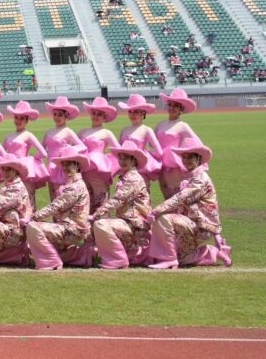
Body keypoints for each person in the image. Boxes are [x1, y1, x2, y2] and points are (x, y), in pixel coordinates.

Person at [148, 137, 231, 269]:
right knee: (182, 258)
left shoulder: (200, 180)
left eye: (190, 157)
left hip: (199, 226)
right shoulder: (191, 176)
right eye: (184, 157)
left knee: (163, 219)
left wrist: (157, 210)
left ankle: (169, 259)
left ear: (198, 159)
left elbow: (181, 198)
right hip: (192, 222)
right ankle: (213, 252)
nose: (186, 160)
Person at [25, 149, 92, 270]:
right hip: (70, 227)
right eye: (64, 164)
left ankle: (51, 261)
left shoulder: (75, 186)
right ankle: (80, 254)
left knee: (33, 227)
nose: (65, 167)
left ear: (77, 165)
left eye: (69, 164)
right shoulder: (72, 183)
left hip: (72, 230)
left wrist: (33, 216)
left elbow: (56, 206)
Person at [92, 141, 152, 269]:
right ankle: (129, 253)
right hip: (129, 222)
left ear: (134, 160)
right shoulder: (125, 176)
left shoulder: (133, 178)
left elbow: (117, 199)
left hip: (136, 225)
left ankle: (118, 259)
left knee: (100, 224)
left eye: (127, 158)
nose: (122, 161)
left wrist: (96, 214)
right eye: (121, 157)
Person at [155, 88, 203, 199]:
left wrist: (183, 152)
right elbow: (153, 144)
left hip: (175, 165)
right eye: (170, 104)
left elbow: (197, 143)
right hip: (162, 164)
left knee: (177, 193)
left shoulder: (182, 125)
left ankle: (180, 216)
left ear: (181, 108)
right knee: (165, 191)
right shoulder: (160, 125)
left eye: (176, 105)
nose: (172, 108)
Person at [79, 97, 122, 213]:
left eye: (100, 114)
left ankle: (102, 226)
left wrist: (114, 166)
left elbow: (119, 151)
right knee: (85, 201)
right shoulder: (82, 132)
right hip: (84, 171)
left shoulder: (106, 133)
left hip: (99, 172)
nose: (96, 116)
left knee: (101, 201)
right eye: (94, 113)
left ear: (104, 117)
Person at [3, 101, 49, 208]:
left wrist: (30, 160)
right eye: (16, 117)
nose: (18, 120)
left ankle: (29, 222)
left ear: (27, 120)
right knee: (12, 199)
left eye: (22, 118)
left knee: (28, 199)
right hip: (10, 172)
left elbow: (43, 153)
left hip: (24, 172)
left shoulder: (28, 135)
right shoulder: (9, 136)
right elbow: (3, 154)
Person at [42, 96, 85, 201]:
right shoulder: (48, 132)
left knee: (61, 196)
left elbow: (82, 146)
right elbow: (42, 149)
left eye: (60, 115)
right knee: (52, 197)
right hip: (50, 168)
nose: (57, 117)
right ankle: (56, 218)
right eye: (55, 114)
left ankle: (62, 217)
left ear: (66, 116)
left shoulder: (68, 131)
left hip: (61, 168)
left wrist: (67, 151)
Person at [117, 94, 164, 184]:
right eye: (130, 111)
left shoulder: (147, 130)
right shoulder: (124, 130)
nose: (132, 114)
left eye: (136, 111)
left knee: (142, 194)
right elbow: (119, 152)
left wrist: (146, 156)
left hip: (140, 170)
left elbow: (159, 152)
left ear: (143, 113)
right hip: (126, 168)